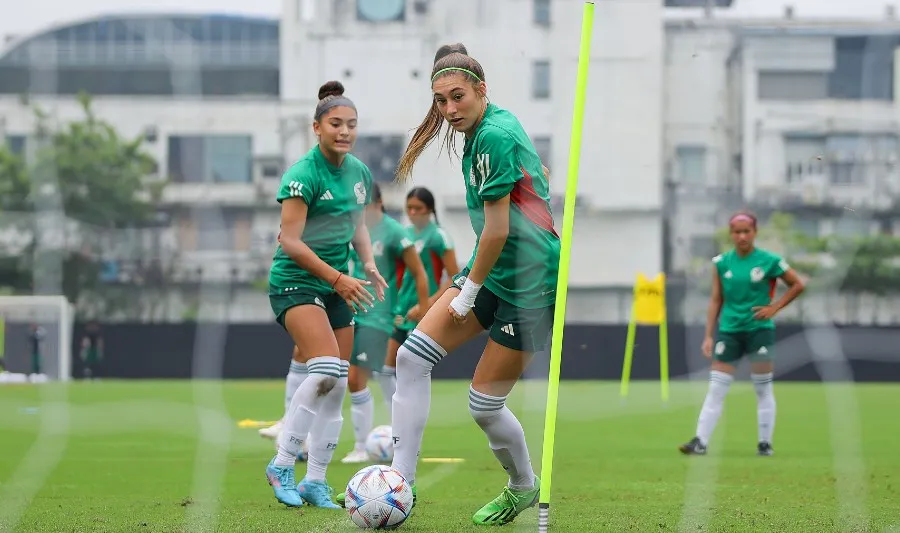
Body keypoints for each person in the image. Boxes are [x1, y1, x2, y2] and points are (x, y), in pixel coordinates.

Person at [348, 43, 561, 526]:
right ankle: (400, 484)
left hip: (530, 284)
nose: (448, 110)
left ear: (482, 91)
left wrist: (467, 290)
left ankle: (523, 487)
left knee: (484, 405)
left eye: (457, 97)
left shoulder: (495, 134)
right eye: (441, 101)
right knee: (410, 357)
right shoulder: (481, 130)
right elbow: (529, 182)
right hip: (495, 267)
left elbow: (499, 229)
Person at [264, 80, 388, 509]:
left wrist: (367, 262)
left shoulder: (359, 172)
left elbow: (357, 226)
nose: (345, 131)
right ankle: (281, 463)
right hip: (296, 282)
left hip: (340, 284)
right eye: (336, 124)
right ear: (316, 127)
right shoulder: (302, 174)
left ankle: (315, 481)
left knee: (337, 383)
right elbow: (290, 241)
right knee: (323, 371)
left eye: (351, 125)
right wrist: (337, 278)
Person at [679, 210, 805, 457]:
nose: (742, 236)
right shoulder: (722, 262)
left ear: (755, 233)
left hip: (759, 331)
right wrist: (708, 335)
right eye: (737, 232)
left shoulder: (769, 260)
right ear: (731, 234)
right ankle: (700, 442)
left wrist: (775, 307)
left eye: (746, 231)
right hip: (729, 332)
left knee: (762, 388)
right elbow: (716, 300)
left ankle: (764, 443)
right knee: (716, 389)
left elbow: (797, 284)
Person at [340, 183, 430, 464]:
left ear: (378, 203)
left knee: (357, 379)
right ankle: (398, 435)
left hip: (381, 316)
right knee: (371, 378)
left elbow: (419, 272)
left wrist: (424, 307)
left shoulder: (394, 232)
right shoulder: (357, 232)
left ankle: (363, 445)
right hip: (356, 313)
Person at [374, 186, 460, 423]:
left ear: (430, 209)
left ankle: (409, 423)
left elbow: (454, 276)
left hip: (424, 313)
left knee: (411, 370)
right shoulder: (404, 233)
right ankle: (398, 420)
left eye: (418, 208)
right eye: (409, 208)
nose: (413, 212)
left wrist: (428, 304)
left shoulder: (438, 236)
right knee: (383, 370)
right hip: (401, 311)